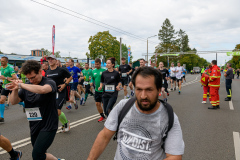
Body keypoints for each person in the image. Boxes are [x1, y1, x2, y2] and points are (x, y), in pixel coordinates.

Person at [88, 67, 184, 160]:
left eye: (149, 90)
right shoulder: (123, 106)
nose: (143, 96)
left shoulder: (169, 117)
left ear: (159, 89)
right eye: (139, 89)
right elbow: (104, 136)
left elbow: (174, 156)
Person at [8, 60, 64, 160]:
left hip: (49, 125)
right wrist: (16, 89)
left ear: (40, 71)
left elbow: (43, 90)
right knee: (40, 154)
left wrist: (21, 85)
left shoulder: (49, 82)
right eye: (28, 78)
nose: (31, 81)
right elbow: (13, 101)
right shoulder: (27, 85)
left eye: (33, 77)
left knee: (37, 155)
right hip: (34, 125)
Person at [45, 55, 72, 132]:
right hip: (51, 93)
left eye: (52, 59)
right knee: (53, 111)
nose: (50, 60)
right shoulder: (47, 71)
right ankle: (64, 123)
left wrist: (64, 85)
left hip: (60, 92)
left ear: (56, 61)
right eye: (49, 59)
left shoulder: (61, 70)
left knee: (57, 111)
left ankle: (66, 123)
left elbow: (70, 77)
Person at [0, 56, 17, 123]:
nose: (1, 62)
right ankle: (2, 117)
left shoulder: (10, 68)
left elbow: (15, 77)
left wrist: (6, 78)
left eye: (3, 61)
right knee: (1, 100)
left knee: (16, 101)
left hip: (12, 85)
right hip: (5, 86)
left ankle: (24, 105)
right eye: (1, 61)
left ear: (6, 62)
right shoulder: (1, 68)